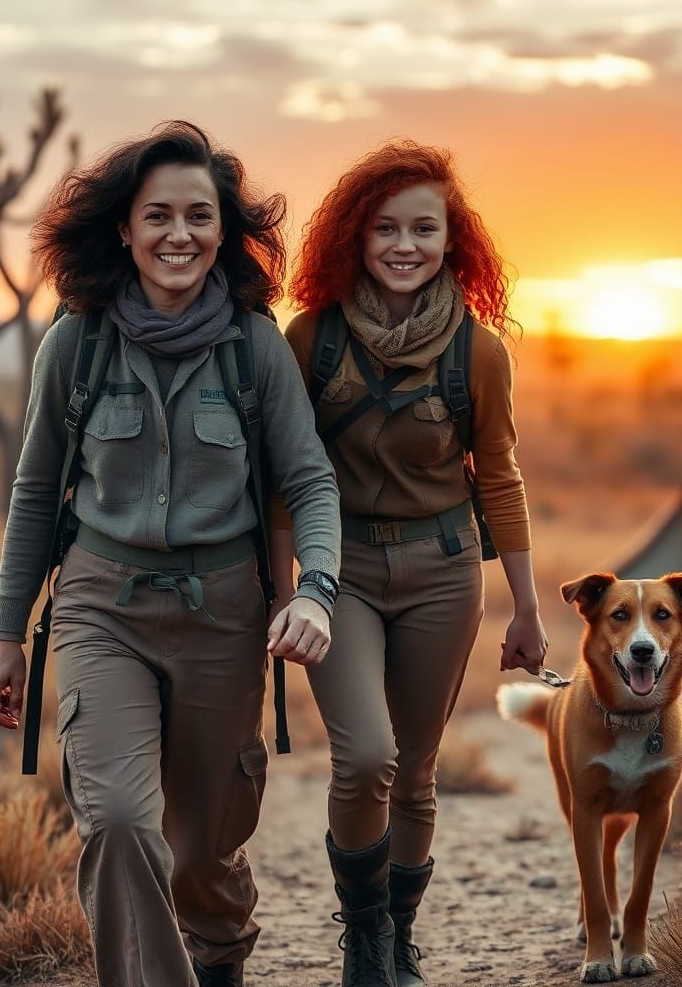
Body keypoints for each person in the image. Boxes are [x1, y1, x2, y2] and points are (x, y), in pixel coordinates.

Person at [0, 121, 341, 987]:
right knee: (120, 825)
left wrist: (316, 591)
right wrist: (5, 638)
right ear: (125, 230)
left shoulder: (255, 349)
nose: (180, 235)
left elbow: (311, 480)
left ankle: (220, 952)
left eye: (200, 216)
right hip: (102, 608)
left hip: (223, 615)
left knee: (202, 847)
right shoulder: (77, 344)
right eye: (158, 216)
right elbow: (35, 495)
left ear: (225, 231)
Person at [271, 141, 548, 987]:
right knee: (365, 757)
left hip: (444, 569)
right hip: (338, 571)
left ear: (451, 240)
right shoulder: (310, 339)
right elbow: (282, 476)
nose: (404, 244)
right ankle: (361, 939)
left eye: (423, 228)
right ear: (354, 237)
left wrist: (527, 610)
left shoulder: (479, 353)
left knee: (417, 774)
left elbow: (497, 476)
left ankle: (396, 940)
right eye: (385, 227)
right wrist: (275, 592)